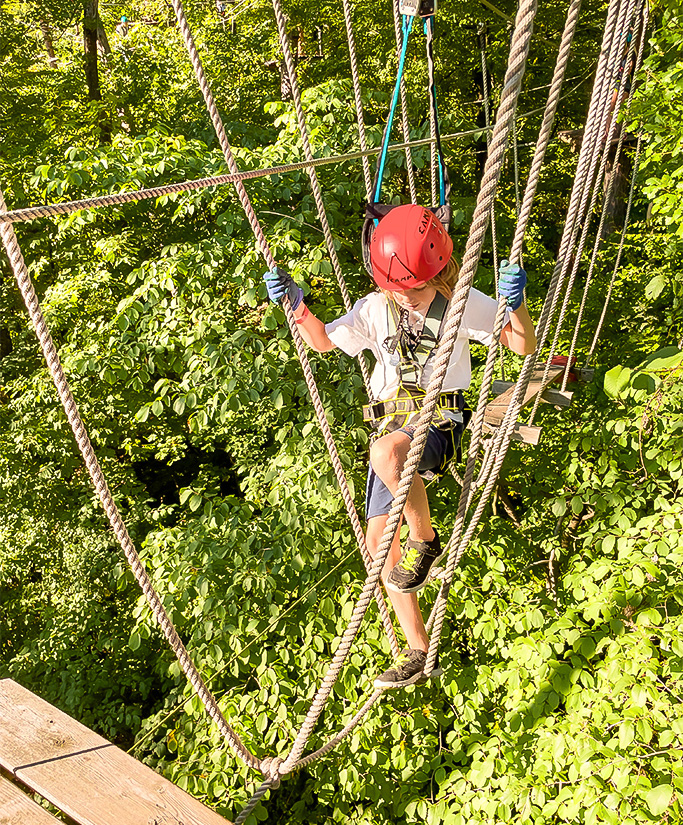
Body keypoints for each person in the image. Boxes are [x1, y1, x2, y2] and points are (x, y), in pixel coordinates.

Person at [263, 204, 536, 689]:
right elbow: (323, 342)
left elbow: (522, 346)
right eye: (397, 287)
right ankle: (418, 650)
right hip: (393, 426)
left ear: (437, 271)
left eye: (413, 286)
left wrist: (515, 305)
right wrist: (297, 307)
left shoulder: (460, 302)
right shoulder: (375, 307)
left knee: (386, 454)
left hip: (440, 422)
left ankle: (425, 540)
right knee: (377, 547)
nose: (405, 295)